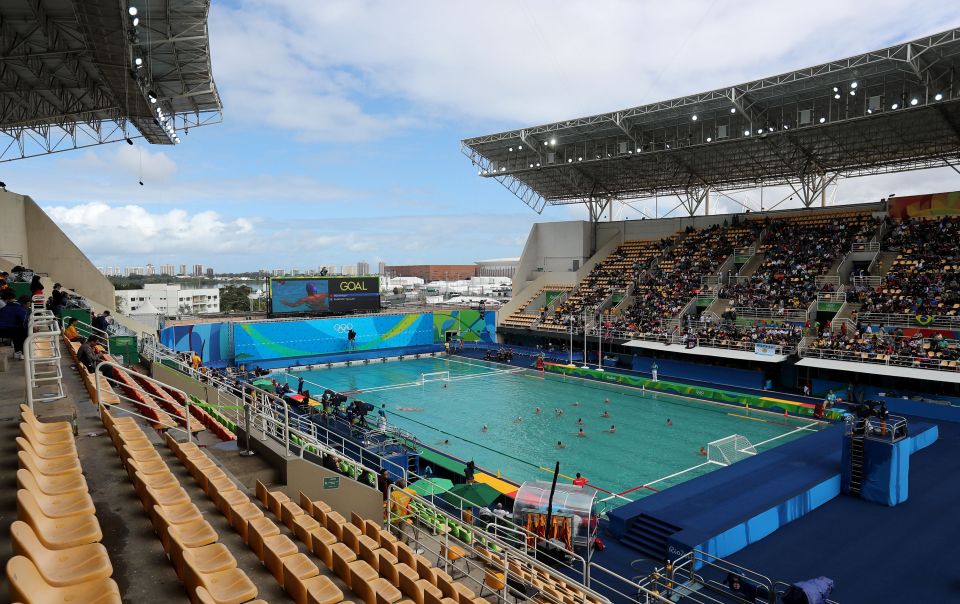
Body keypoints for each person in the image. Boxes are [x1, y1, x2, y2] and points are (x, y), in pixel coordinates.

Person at [0, 289, 28, 359]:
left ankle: (18, 351)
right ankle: (21, 352)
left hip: (2, 331)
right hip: (10, 330)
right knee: (22, 330)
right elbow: (24, 322)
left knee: (18, 331)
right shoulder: (20, 308)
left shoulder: (3, 309)